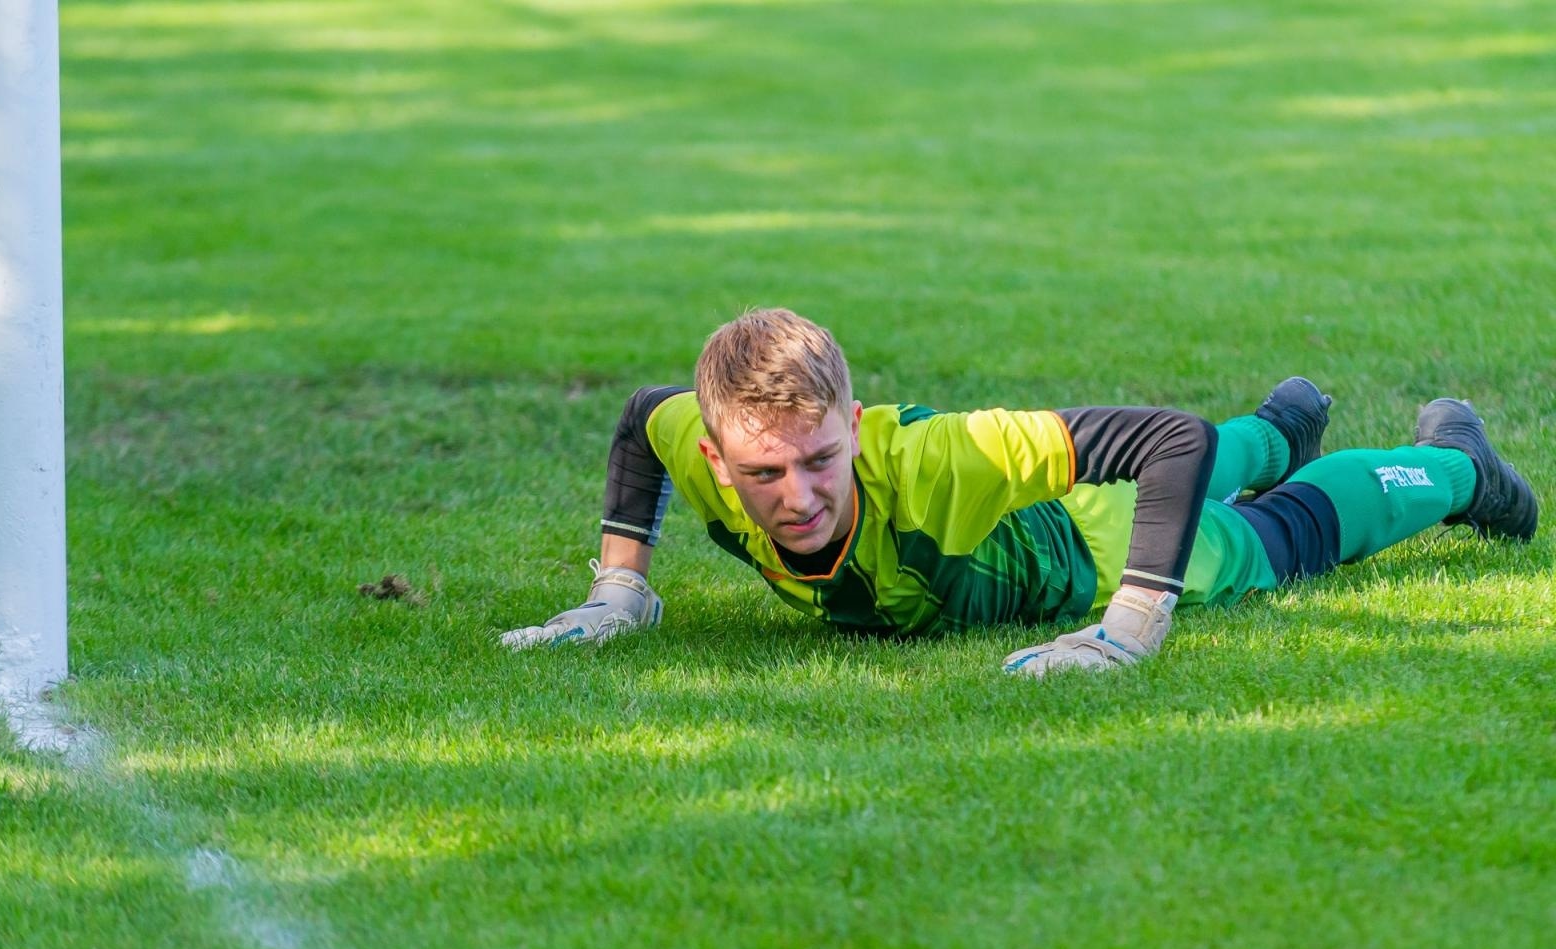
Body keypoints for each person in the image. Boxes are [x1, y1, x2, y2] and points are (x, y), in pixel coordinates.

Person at [501, 308, 1537, 674]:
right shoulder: (696, 436)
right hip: (1069, 504)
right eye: (765, 474)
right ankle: (1275, 429)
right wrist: (619, 587)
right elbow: (644, 410)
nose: (801, 495)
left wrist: (1131, 622)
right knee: (1217, 464)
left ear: (854, 427)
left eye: (822, 459)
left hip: (1079, 545)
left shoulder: (937, 458)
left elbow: (1164, 439)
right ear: (719, 462)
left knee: (1275, 541)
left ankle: (1456, 465)